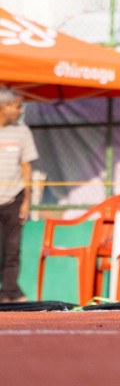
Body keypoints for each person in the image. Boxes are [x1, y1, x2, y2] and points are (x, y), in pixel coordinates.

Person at [0, 88, 37, 303]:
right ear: (4, 107)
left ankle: (7, 296)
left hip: (14, 200)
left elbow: (26, 167)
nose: (21, 110)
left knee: (12, 253)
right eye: (17, 106)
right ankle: (17, 295)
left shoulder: (22, 131)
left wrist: (27, 201)